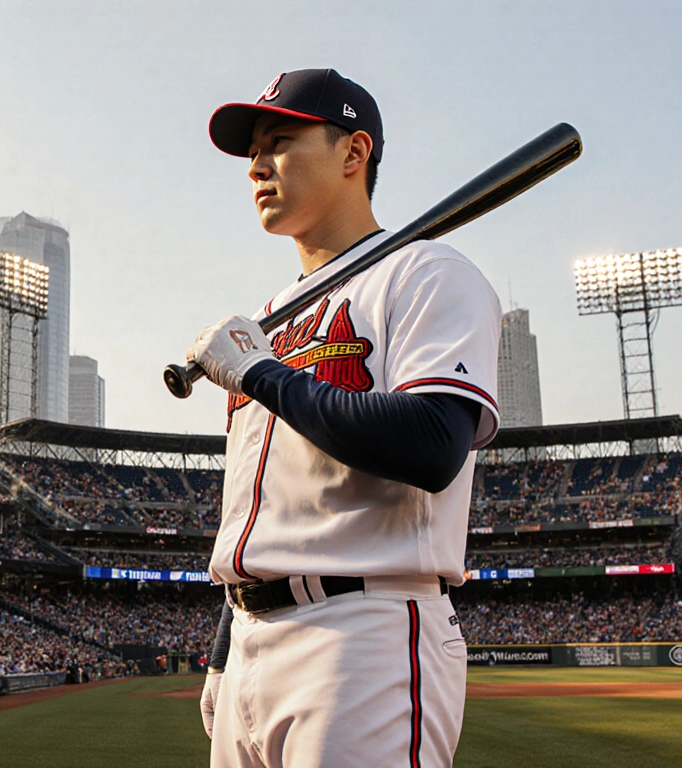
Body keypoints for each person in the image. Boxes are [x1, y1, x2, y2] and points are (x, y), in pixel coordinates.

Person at [187, 69, 500, 768]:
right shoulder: (268, 322)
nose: (257, 167)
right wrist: (222, 648)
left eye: (281, 141)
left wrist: (262, 375)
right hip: (247, 641)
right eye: (252, 153)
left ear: (353, 154)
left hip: (363, 633)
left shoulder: (425, 274)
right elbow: (265, 508)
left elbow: (431, 443)